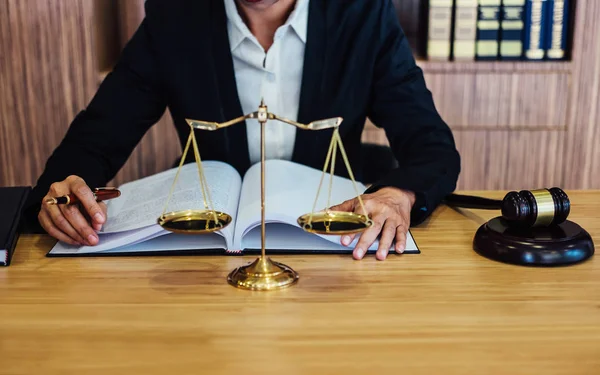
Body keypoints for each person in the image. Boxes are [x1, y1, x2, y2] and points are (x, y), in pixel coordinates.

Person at [24, 0, 461, 261]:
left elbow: (432, 147)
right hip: (206, 253)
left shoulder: (363, 14)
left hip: (333, 249)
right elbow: (96, 138)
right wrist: (63, 190)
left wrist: (397, 195)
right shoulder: (175, 16)